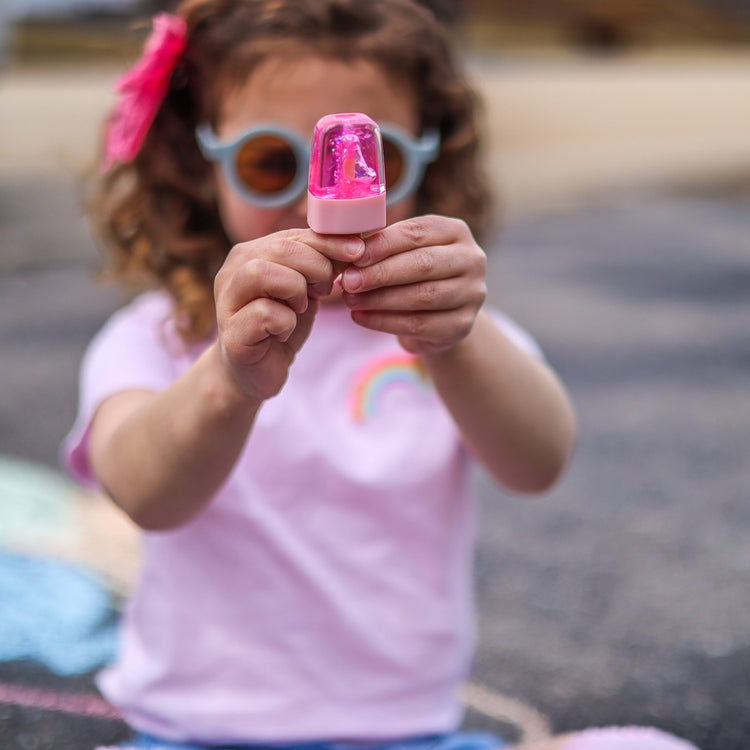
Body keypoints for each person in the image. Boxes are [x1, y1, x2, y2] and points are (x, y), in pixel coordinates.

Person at [61, 2, 698, 750]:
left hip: (406, 736)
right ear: (204, 161)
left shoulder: (455, 334)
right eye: (269, 161)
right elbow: (144, 493)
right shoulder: (159, 338)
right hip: (195, 732)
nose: (311, 201)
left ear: (429, 160)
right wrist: (229, 378)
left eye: (376, 161)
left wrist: (456, 345)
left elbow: (538, 462)